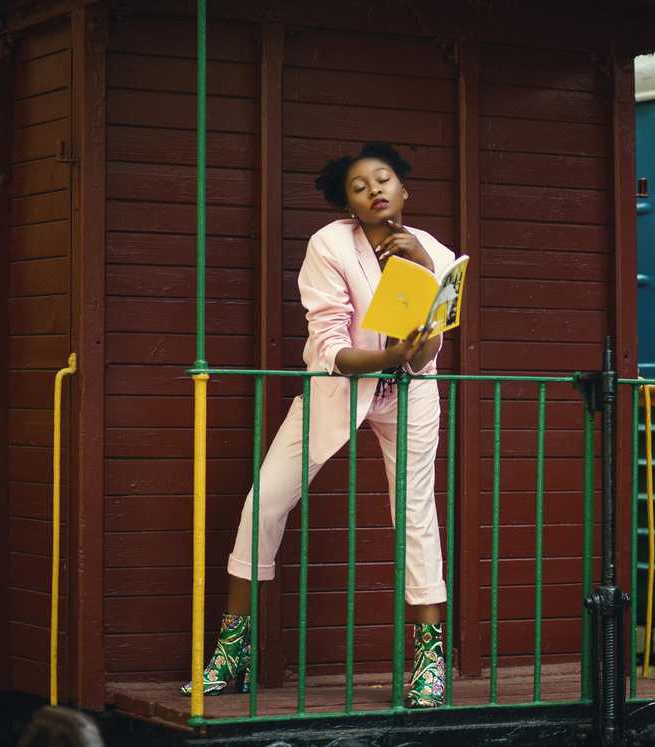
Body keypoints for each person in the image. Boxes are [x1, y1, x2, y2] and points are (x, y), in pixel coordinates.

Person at [182, 143, 453, 709]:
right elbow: (330, 343)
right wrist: (384, 358)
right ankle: (233, 652)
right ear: (349, 205)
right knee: (264, 503)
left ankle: (429, 664)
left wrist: (425, 275)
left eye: (385, 179)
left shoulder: (436, 252)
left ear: (404, 190)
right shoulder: (329, 245)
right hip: (337, 388)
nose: (375, 189)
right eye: (360, 186)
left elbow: (426, 354)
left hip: (410, 397)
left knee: (416, 514)